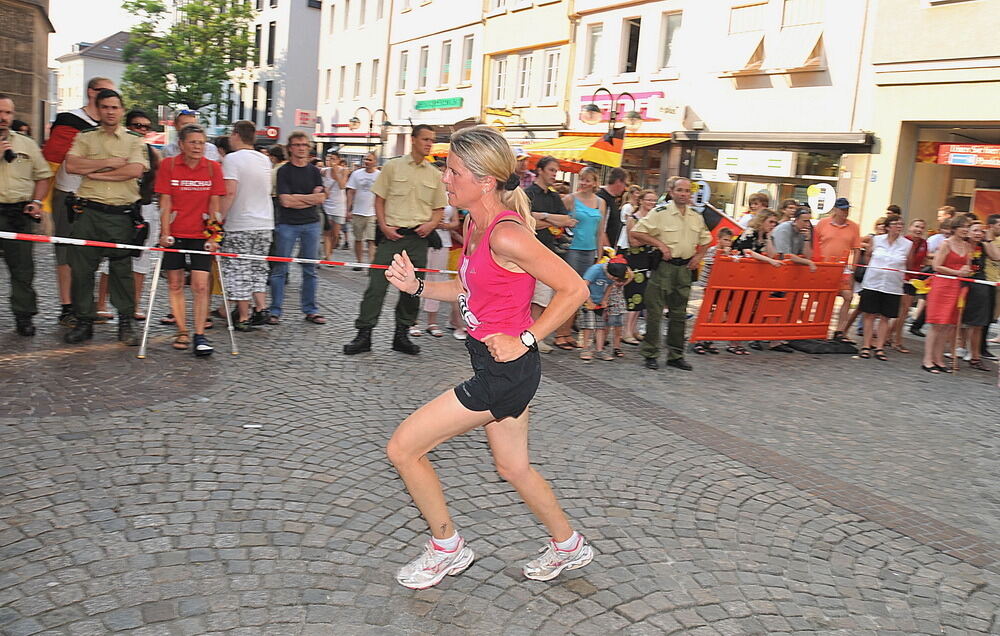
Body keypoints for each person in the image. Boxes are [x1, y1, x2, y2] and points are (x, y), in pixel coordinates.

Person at [382, 125, 592, 589]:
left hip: (507, 369)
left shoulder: (507, 234)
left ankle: (446, 548)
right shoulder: (475, 224)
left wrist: (527, 337)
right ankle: (568, 545)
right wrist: (415, 286)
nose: (445, 180)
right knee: (513, 467)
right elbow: (467, 287)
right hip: (492, 361)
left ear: (485, 181)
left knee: (403, 448)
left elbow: (573, 288)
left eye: (453, 172)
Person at [343, 125, 446, 355]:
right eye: (425, 139)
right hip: (392, 236)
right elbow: (379, 200)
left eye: (432, 140)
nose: (429, 144)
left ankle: (402, 335)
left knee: (412, 291)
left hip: (418, 239)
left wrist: (430, 225)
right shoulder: (393, 166)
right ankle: (364, 335)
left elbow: (439, 208)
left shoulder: (435, 174)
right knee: (376, 287)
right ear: (413, 140)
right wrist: (383, 225)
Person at [61, 90, 148, 345]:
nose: (110, 111)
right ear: (98, 110)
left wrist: (96, 172)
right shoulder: (85, 137)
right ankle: (84, 321)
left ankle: (126, 321)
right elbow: (72, 166)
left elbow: (134, 170)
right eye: (105, 107)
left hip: (121, 214)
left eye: (115, 107)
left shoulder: (134, 140)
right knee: (82, 270)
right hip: (88, 213)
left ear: (121, 110)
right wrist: (110, 162)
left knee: (122, 270)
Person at [42, 76, 116, 327]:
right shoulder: (69, 120)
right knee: (65, 252)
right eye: (104, 92)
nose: (108, 100)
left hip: (97, 197)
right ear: (91, 93)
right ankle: (67, 307)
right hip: (68, 194)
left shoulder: (110, 126)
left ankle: (85, 305)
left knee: (90, 253)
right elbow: (58, 160)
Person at [155, 124, 225, 356]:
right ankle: (182, 330)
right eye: (193, 142)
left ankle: (199, 334)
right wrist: (164, 232)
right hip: (175, 233)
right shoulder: (170, 165)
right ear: (182, 144)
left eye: (201, 142)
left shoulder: (213, 168)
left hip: (200, 235)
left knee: (201, 285)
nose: (197, 147)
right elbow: (164, 202)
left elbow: (215, 205)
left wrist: (215, 235)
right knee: (175, 283)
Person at [631, 177, 711, 371]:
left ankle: (676, 355)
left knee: (679, 313)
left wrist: (699, 255)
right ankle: (651, 353)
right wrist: (659, 244)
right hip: (664, 268)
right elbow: (637, 232)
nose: (684, 194)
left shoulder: (695, 216)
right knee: (655, 312)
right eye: (680, 190)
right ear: (672, 192)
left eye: (687, 191)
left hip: (684, 269)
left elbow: (707, 239)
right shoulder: (660, 213)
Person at [95, 109, 161, 323]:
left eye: (146, 126)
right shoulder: (117, 150)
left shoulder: (153, 153)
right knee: (111, 258)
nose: (142, 130)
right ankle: (101, 305)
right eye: (137, 125)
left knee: (142, 260)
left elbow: (158, 183)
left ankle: (134, 305)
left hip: (146, 208)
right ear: (128, 126)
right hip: (121, 207)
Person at [0, 94, 52, 336]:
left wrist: (36, 201)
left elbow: (43, 175)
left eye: (8, 113)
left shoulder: (26, 144)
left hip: (17, 213)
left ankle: (24, 316)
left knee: (22, 269)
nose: (3, 118)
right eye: (0, 112)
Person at [220, 120, 274, 331]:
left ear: (235, 135)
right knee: (258, 267)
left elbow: (230, 191)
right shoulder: (264, 160)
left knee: (239, 268)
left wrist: (218, 219)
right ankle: (261, 308)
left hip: (240, 222)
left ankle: (243, 316)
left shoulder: (232, 159)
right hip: (264, 222)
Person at [268, 132, 326, 325]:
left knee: (310, 269)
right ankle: (275, 310)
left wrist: (298, 199)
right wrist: (309, 199)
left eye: (305, 144)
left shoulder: (314, 171)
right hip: (287, 225)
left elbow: (321, 198)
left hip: (311, 224)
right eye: (298, 145)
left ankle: (310, 310)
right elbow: (285, 201)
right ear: (290, 148)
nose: (302, 148)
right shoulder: (284, 171)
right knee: (280, 269)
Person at [524, 155, 576, 352]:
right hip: (525, 251)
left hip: (547, 252)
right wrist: (549, 220)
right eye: (552, 170)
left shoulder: (554, 197)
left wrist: (542, 217)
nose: (555, 174)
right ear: (540, 170)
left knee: (542, 297)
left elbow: (566, 220)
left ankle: (533, 336)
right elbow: (525, 222)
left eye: (556, 171)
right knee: (525, 296)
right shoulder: (528, 194)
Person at [857, 215, 911, 361]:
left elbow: (909, 264)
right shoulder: (877, 240)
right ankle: (866, 346)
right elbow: (868, 255)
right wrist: (874, 270)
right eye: (895, 224)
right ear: (887, 227)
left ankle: (879, 347)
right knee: (869, 314)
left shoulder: (907, 244)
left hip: (892, 285)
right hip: (873, 282)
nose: (899, 226)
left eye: (901, 224)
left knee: (885, 317)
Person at [921, 216, 972, 373]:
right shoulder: (946, 243)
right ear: (955, 228)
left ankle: (939, 359)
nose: (965, 230)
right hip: (942, 285)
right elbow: (937, 266)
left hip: (956, 287)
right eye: (963, 226)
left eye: (967, 227)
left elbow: (968, 267)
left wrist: (967, 272)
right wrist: (957, 272)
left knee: (948, 325)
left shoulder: (967, 246)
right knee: (936, 324)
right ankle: (927, 359)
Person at [813, 197, 861, 342]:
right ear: (835, 209)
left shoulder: (853, 226)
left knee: (848, 296)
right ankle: (820, 328)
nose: (845, 212)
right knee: (824, 300)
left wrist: (853, 269)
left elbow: (856, 249)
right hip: (825, 267)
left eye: (847, 209)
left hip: (842, 269)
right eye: (842, 209)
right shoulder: (823, 223)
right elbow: (814, 244)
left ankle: (840, 330)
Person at [413, 204, 461, 337]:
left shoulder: (450, 198)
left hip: (443, 242)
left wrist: (443, 226)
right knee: (419, 279)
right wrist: (431, 223)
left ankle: (432, 322)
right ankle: (413, 321)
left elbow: (455, 222)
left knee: (436, 280)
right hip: (424, 240)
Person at [620, 189, 659, 345]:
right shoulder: (633, 218)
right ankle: (626, 331)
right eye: (648, 200)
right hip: (636, 261)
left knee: (642, 297)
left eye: (654, 201)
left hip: (648, 261)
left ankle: (634, 329)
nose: (651, 203)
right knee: (634, 297)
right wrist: (652, 240)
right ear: (641, 200)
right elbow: (633, 241)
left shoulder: (654, 219)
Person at [961, 221, 1000, 370]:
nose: (978, 233)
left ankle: (975, 357)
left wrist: (989, 239)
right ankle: (955, 351)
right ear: (967, 231)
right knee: (954, 322)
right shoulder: (960, 244)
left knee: (977, 324)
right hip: (962, 283)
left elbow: (996, 257)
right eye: (975, 230)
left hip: (979, 285)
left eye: (981, 231)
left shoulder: (983, 246)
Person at [578, 259, 632, 362]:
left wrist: (604, 299)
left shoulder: (613, 274)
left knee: (600, 327)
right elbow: (583, 285)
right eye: (613, 277)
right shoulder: (595, 270)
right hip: (587, 300)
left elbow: (610, 286)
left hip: (599, 302)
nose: (613, 279)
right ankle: (585, 348)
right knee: (588, 326)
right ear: (608, 271)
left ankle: (599, 350)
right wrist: (588, 301)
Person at [887, 218, 928, 352]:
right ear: (910, 227)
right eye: (916, 226)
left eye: (922, 227)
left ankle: (889, 336)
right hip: (901, 277)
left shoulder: (924, 243)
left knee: (903, 312)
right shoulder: (903, 241)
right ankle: (896, 340)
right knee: (902, 311)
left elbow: (924, 260)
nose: (919, 229)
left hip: (914, 279)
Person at [692, 227, 734, 356]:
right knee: (707, 312)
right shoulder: (712, 250)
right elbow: (712, 263)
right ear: (719, 239)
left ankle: (708, 339)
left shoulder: (730, 253)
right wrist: (723, 255)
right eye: (725, 240)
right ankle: (698, 340)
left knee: (719, 314)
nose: (727, 243)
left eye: (729, 241)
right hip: (709, 286)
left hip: (721, 287)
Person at [345, 152, 381, 267]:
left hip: (372, 213)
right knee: (358, 239)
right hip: (357, 211)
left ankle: (371, 264)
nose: (367, 162)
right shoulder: (356, 174)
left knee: (371, 240)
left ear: (375, 161)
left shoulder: (379, 175)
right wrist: (348, 209)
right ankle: (359, 261)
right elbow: (350, 192)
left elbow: (383, 195)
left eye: (370, 160)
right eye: (365, 159)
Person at [320, 151, 348, 261]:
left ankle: (330, 251)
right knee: (327, 232)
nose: (331, 161)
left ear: (338, 160)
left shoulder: (344, 171)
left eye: (333, 159)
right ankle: (328, 256)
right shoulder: (323, 171)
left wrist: (336, 174)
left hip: (339, 205)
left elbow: (342, 186)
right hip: (327, 204)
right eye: (329, 158)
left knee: (335, 234)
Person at [771, 206, 818, 272]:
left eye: (809, 221)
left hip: (787, 269)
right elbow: (787, 256)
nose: (808, 224)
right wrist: (808, 262)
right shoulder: (784, 229)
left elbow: (808, 257)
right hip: (774, 266)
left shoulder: (804, 231)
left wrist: (807, 239)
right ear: (796, 220)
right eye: (805, 221)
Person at [597, 167, 627, 249]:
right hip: (601, 247)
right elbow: (601, 227)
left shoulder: (612, 199)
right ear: (618, 182)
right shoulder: (602, 198)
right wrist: (608, 248)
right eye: (625, 184)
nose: (625, 188)